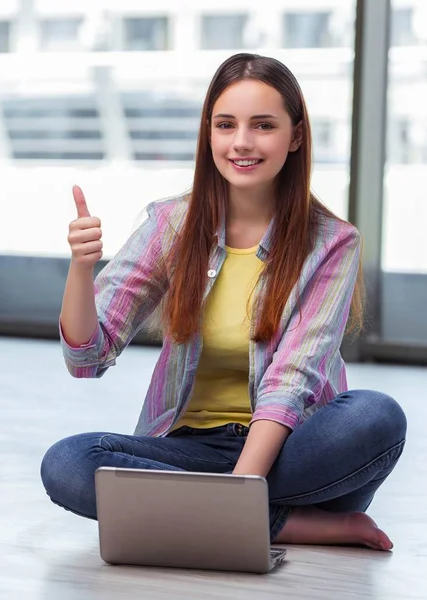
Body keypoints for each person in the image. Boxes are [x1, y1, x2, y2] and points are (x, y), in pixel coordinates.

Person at [40, 53, 407, 551]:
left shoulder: (333, 242)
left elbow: (291, 380)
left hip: (288, 450)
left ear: (295, 137)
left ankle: (206, 513)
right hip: (190, 450)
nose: (241, 143)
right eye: (226, 124)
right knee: (67, 462)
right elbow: (87, 358)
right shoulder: (171, 223)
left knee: (375, 416)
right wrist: (82, 270)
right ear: (208, 133)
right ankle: (297, 524)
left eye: (263, 126)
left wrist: (240, 491)